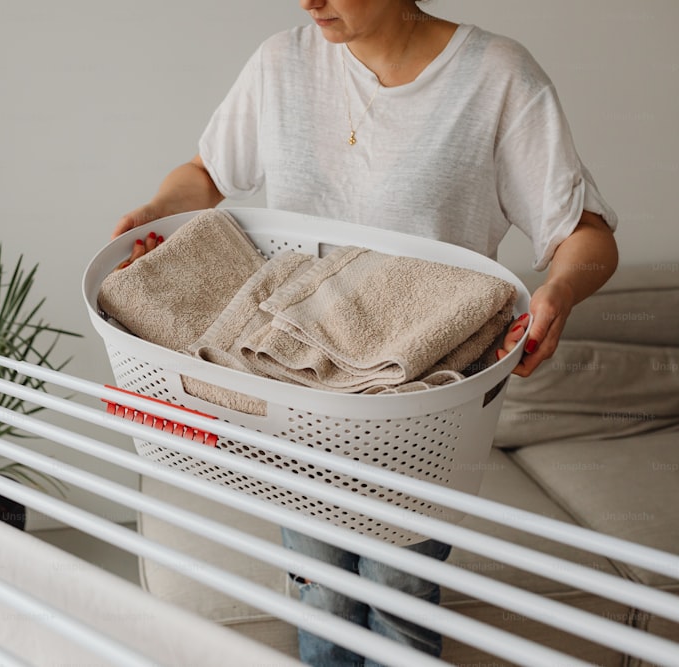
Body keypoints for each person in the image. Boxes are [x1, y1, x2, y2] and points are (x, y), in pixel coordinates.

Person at [111, 1, 619, 663]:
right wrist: (155, 211)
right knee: (320, 598)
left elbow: (588, 235)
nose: (309, 1)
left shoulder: (497, 79)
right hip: (298, 386)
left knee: (398, 599)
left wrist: (562, 289)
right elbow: (207, 175)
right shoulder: (281, 64)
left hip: (412, 404)